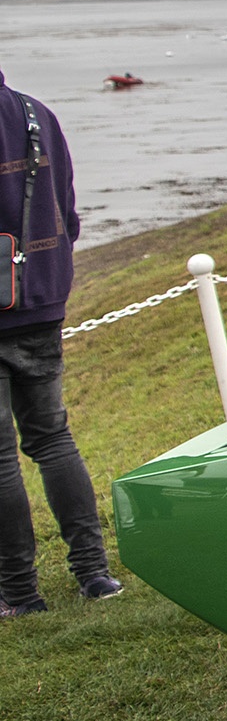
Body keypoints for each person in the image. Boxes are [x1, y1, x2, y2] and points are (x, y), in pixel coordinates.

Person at [0, 73, 117, 618]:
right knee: (52, 438)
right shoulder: (36, 113)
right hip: (42, 297)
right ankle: (94, 574)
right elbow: (66, 212)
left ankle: (20, 595)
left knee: (2, 458)